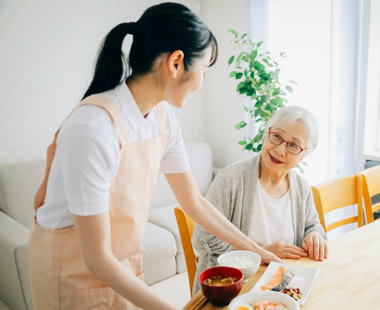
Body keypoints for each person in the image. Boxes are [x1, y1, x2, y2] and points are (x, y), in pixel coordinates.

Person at [27, 2, 280, 309]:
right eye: (203, 70)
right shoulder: (93, 128)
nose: (201, 83)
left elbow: (194, 203)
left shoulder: (162, 118)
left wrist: (258, 251)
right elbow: (96, 258)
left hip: (119, 266)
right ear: (176, 62)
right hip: (71, 273)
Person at [192, 105, 328, 294]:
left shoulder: (301, 188)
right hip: (232, 287)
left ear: (304, 154)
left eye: (293, 146)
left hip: (282, 287)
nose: (280, 150)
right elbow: (203, 239)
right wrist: (260, 252)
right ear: (266, 133)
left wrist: (314, 236)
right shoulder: (230, 180)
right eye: (277, 136)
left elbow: (314, 225)